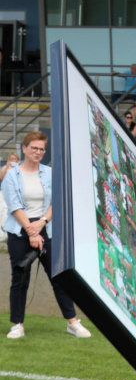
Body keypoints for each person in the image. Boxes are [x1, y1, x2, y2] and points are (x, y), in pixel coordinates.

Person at [2, 131, 91, 340]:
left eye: (41, 149)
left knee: (59, 277)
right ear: (24, 148)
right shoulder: (11, 175)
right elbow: (14, 206)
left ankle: (72, 322)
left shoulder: (50, 173)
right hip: (19, 231)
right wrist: (32, 231)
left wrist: (42, 222)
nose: (38, 152)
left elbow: (57, 201)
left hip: (46, 228)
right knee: (20, 278)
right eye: (34, 148)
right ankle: (17, 324)